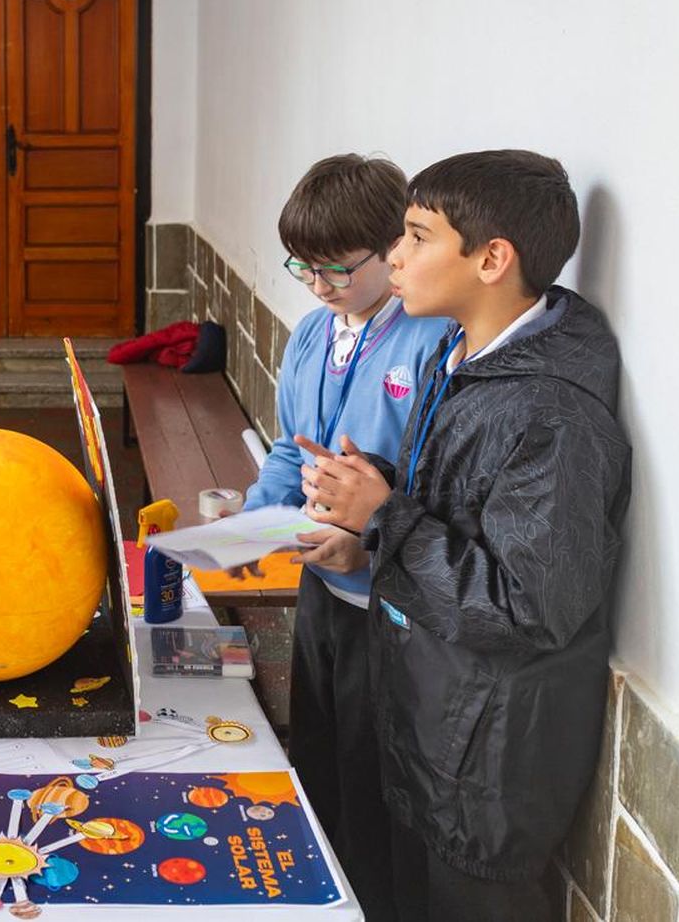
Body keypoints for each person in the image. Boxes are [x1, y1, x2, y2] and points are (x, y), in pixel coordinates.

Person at [296, 150, 630, 922]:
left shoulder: (552, 412)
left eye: (416, 237)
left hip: (483, 767)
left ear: (491, 259)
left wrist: (384, 517)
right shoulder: (466, 355)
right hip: (433, 724)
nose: (395, 255)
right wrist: (372, 494)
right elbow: (462, 510)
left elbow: (526, 607)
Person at [239, 154, 449, 920]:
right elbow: (291, 449)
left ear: (393, 249)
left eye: (335, 268)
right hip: (320, 589)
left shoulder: (430, 344)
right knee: (316, 759)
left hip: (386, 610)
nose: (318, 286)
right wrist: (249, 524)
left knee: (368, 787)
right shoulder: (311, 335)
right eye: (303, 267)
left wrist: (366, 546)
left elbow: (432, 490)